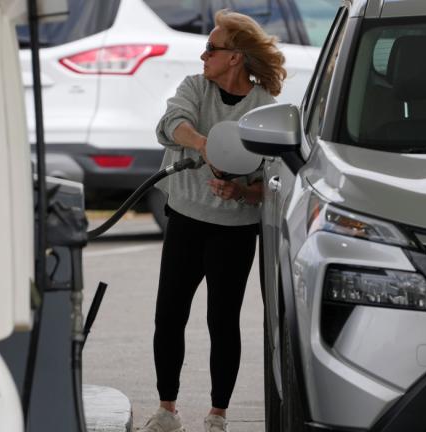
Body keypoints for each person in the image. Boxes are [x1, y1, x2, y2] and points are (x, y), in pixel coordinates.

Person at [140, 9, 286, 432]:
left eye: (211, 48)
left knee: (223, 321)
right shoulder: (194, 88)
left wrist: (241, 190)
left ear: (235, 57)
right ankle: (167, 410)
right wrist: (208, 147)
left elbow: (271, 183)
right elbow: (171, 124)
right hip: (185, 216)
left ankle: (217, 416)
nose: (203, 56)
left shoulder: (265, 109)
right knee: (169, 314)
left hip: (236, 230)